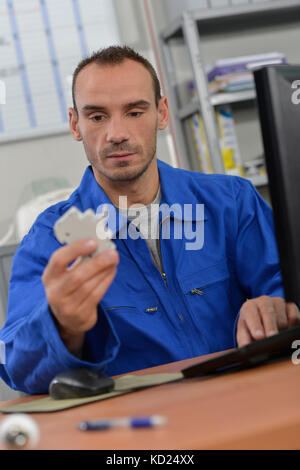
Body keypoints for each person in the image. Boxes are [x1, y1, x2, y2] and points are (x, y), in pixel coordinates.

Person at [0, 46, 299, 395]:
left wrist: (277, 306)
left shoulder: (231, 203)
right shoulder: (50, 241)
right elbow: (18, 368)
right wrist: (63, 326)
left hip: (249, 404)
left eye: (134, 111)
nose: (117, 133)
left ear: (161, 112)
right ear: (75, 124)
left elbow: (287, 285)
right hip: (143, 430)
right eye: (97, 116)